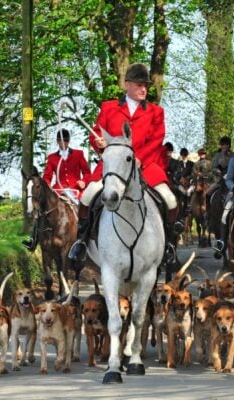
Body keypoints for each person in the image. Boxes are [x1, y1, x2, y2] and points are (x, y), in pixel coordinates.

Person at [68, 63, 178, 262]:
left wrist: (139, 158)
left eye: (145, 85)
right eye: (138, 85)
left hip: (145, 166)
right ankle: (82, 241)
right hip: (113, 168)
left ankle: (168, 244)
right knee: (88, 196)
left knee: (170, 200)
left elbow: (156, 140)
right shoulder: (109, 108)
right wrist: (100, 144)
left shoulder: (156, 112)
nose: (143, 89)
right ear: (127, 85)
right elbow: (95, 135)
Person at [22, 129, 91, 251]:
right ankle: (33, 239)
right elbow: (47, 177)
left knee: (85, 212)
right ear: (57, 141)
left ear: (69, 141)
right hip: (58, 191)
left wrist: (84, 181)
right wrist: (47, 188)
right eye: (60, 140)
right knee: (42, 213)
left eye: (66, 140)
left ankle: (85, 240)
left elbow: (87, 172)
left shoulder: (79, 154)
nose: (63, 143)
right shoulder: (52, 157)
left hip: (75, 191)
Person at [206, 136, 234, 205]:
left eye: (226, 145)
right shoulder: (217, 156)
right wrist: (219, 172)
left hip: (233, 179)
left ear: (229, 145)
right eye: (222, 145)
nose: (224, 146)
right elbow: (213, 168)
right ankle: (208, 213)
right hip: (221, 179)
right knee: (208, 193)